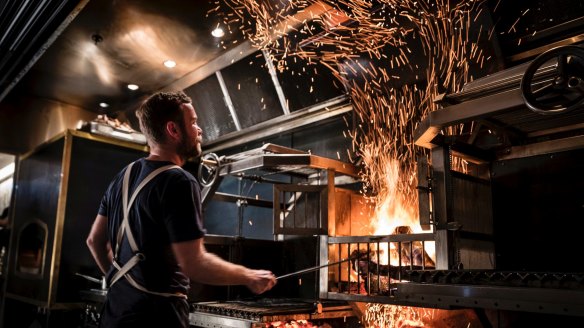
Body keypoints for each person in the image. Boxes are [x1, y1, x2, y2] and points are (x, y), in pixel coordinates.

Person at [86, 91, 277, 328]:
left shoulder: (121, 177)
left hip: (115, 314)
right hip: (156, 318)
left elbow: (94, 241)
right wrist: (249, 276)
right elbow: (194, 263)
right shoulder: (180, 181)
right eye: (194, 122)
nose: (200, 130)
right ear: (173, 130)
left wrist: (122, 281)